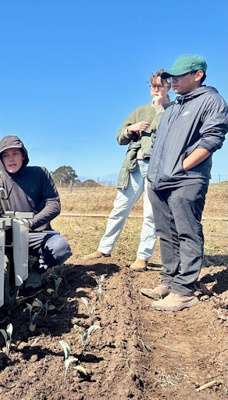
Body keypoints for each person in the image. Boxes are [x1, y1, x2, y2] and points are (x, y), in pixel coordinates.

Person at [141, 54, 228, 311]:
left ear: (198, 75)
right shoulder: (174, 107)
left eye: (179, 76)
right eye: (171, 76)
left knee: (187, 232)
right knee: (165, 233)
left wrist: (181, 167)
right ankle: (169, 281)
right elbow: (159, 143)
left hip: (187, 181)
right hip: (159, 182)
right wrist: (155, 175)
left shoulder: (212, 100)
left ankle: (185, 291)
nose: (173, 81)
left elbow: (212, 140)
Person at [85, 70, 171, 270]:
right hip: (134, 165)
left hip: (157, 167)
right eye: (153, 86)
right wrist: (130, 130)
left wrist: (159, 109)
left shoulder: (172, 110)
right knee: (119, 208)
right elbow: (119, 137)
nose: (155, 90)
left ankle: (143, 257)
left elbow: (166, 131)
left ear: (168, 87)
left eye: (160, 86)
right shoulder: (139, 111)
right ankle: (104, 248)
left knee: (151, 213)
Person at [0, 135, 72, 287]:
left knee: (61, 247)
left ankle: (36, 270)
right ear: (1, 159)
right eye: (6, 155)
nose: (11, 159)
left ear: (23, 155)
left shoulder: (40, 174)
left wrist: (31, 223)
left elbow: (54, 204)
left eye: (15, 153)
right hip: (8, 239)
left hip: (35, 235)